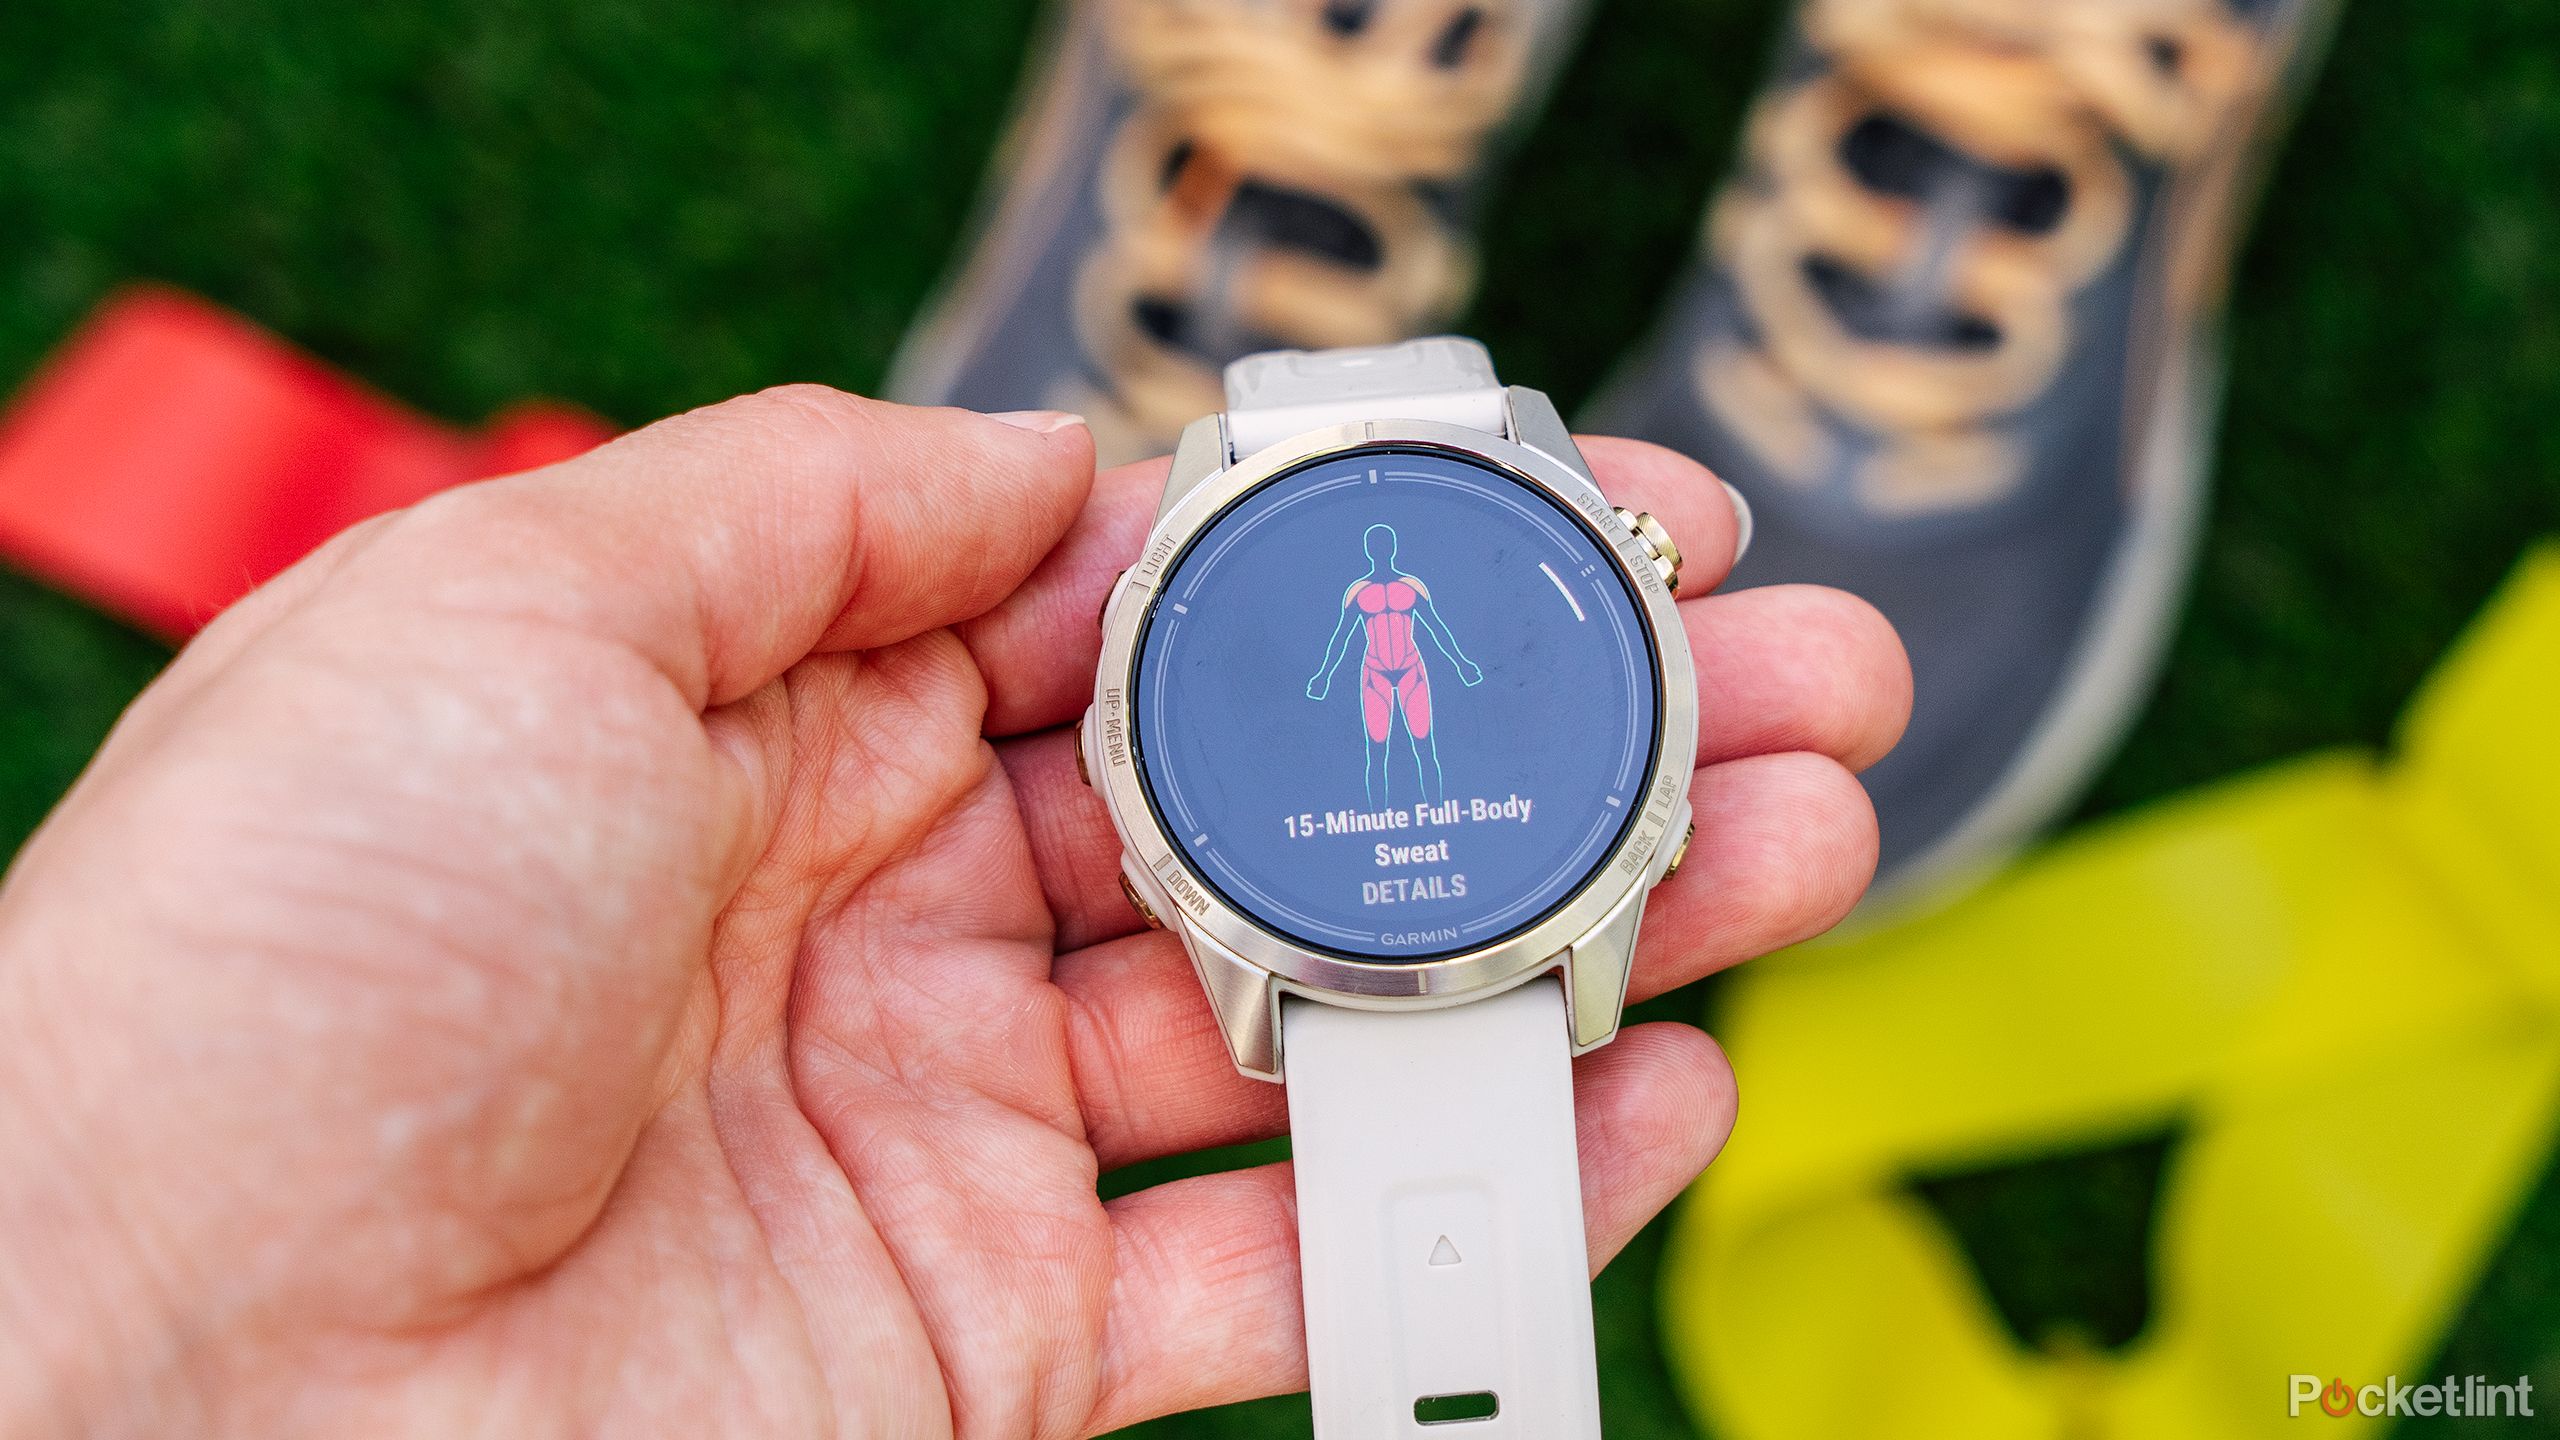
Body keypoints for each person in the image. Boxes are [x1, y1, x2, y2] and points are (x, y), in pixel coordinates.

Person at [0, 389, 1905, 1434]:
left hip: (1434, 880)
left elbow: (1325, 658)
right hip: (1406, 868)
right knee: (1425, 758)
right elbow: (1331, 657)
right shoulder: (1388, 614)